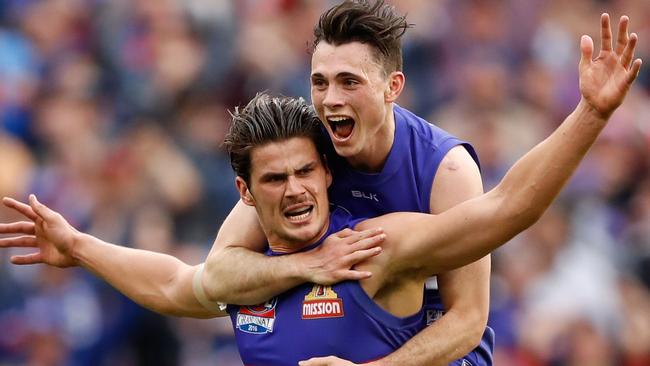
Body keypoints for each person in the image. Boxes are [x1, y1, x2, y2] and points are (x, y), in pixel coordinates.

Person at [0, 9, 642, 366]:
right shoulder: (299, 160)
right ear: (248, 192)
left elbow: (481, 289)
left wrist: (588, 114)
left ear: (393, 88)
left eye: (349, 82)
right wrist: (80, 245)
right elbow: (190, 283)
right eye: (319, 81)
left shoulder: (413, 206)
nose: (330, 99)